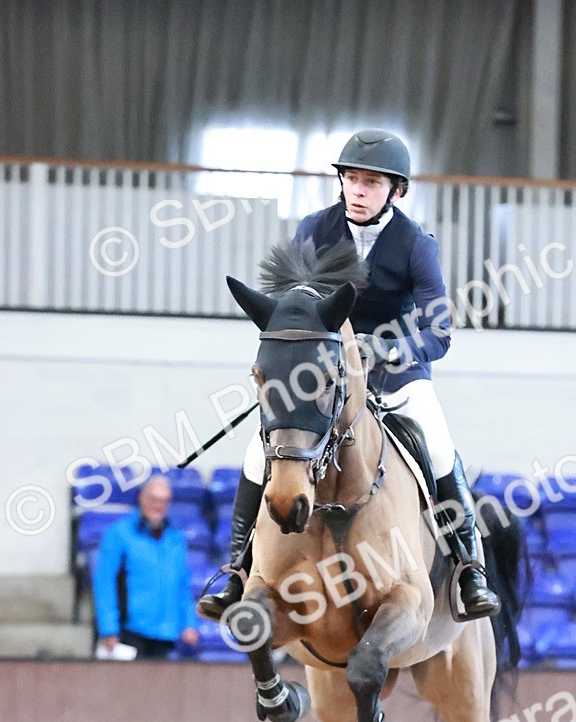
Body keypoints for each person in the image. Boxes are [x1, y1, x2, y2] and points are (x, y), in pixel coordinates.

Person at [198, 128, 500, 620]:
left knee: (438, 446)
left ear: (396, 191)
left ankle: (469, 569)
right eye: (352, 180)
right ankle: (236, 568)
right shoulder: (315, 229)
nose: (358, 191)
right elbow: (296, 306)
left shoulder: (416, 244)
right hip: (324, 377)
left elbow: (439, 332)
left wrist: (387, 348)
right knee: (260, 450)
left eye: (371, 183)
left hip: (396, 376)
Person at [94, 475, 199, 660]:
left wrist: (189, 623)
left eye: (164, 501)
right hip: (129, 632)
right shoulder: (119, 534)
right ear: (141, 498)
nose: (158, 506)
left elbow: (182, 585)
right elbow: (105, 582)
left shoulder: (175, 538)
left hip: (166, 635)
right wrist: (108, 628)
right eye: (153, 499)